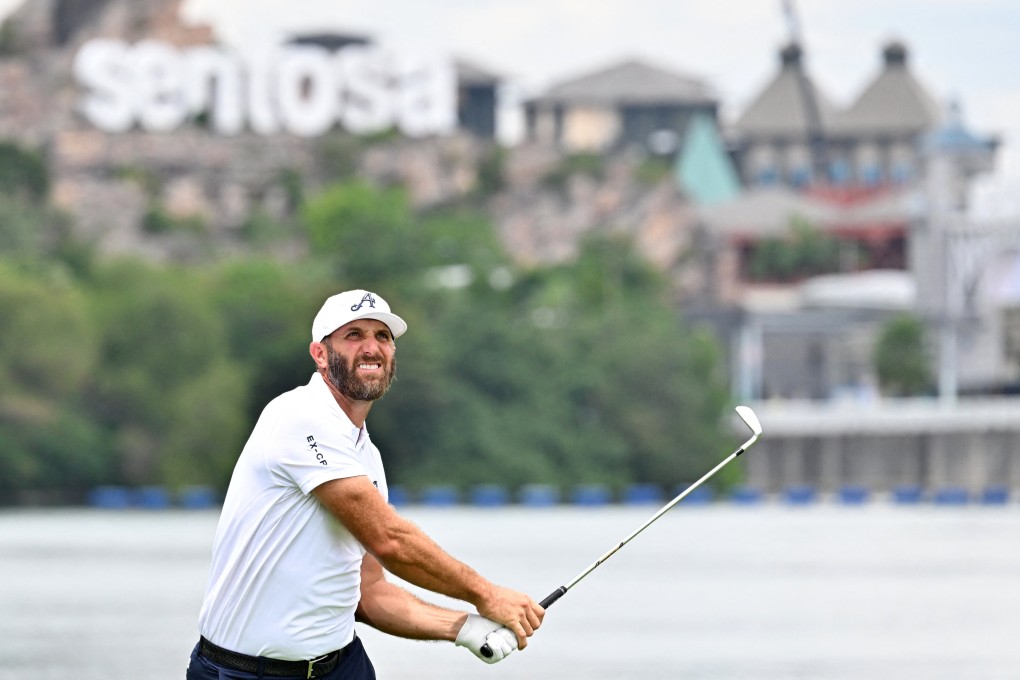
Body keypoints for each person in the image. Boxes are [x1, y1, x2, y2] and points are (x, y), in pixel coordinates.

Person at [187, 289, 544, 679]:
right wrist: (487, 595)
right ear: (320, 354)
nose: (372, 347)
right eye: (353, 335)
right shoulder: (299, 415)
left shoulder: (365, 454)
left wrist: (464, 627)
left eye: (383, 336)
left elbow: (370, 593)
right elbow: (389, 540)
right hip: (244, 672)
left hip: (342, 665)